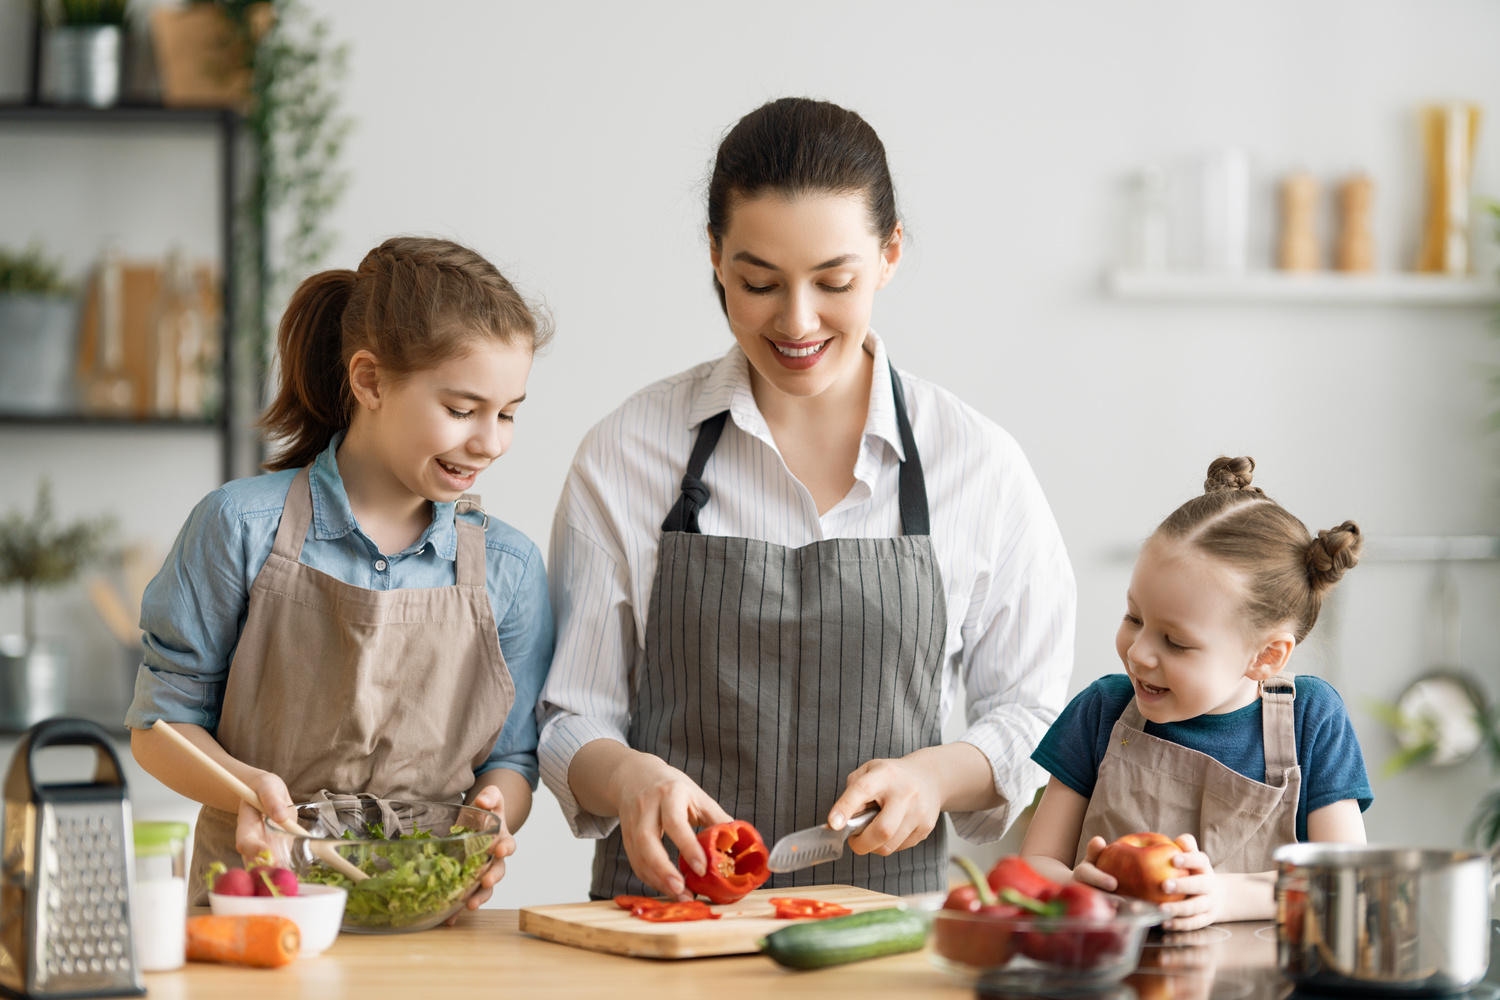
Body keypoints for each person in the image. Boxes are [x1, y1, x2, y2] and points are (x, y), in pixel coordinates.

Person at [538, 97, 1076, 901]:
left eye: (835, 281)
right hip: (665, 930)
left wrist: (935, 775)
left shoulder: (979, 464)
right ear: (716, 256)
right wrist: (627, 778)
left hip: (887, 940)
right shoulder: (627, 451)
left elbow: (1031, 715)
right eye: (759, 282)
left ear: (890, 255)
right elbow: (569, 714)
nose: (797, 321)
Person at [125, 237, 554, 913]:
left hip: (424, 920)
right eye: (463, 409)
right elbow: (158, 727)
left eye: (508, 413)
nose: (490, 442)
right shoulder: (239, 526)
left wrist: (493, 816)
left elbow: (514, 759)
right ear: (370, 381)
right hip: (249, 904)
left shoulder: (510, 568)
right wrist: (249, 790)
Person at [1021, 456, 1373, 930]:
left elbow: (1343, 882)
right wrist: (1072, 890)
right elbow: (1033, 868)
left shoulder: (1312, 719)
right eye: (1134, 618)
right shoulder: (1101, 711)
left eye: (1176, 642)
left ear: (1266, 657)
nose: (1139, 653)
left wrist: (1223, 898)